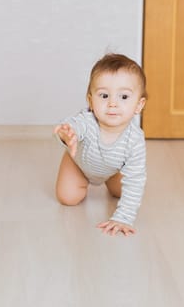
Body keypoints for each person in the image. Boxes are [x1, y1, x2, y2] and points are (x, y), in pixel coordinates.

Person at [54, 53, 147, 237]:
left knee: (124, 192)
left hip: (112, 170)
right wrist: (68, 134)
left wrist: (123, 217)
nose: (112, 103)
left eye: (124, 97)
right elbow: (74, 125)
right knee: (68, 198)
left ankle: (110, 182)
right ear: (90, 101)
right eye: (104, 95)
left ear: (139, 105)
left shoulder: (134, 140)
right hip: (79, 164)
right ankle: (78, 177)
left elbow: (135, 179)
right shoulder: (88, 122)